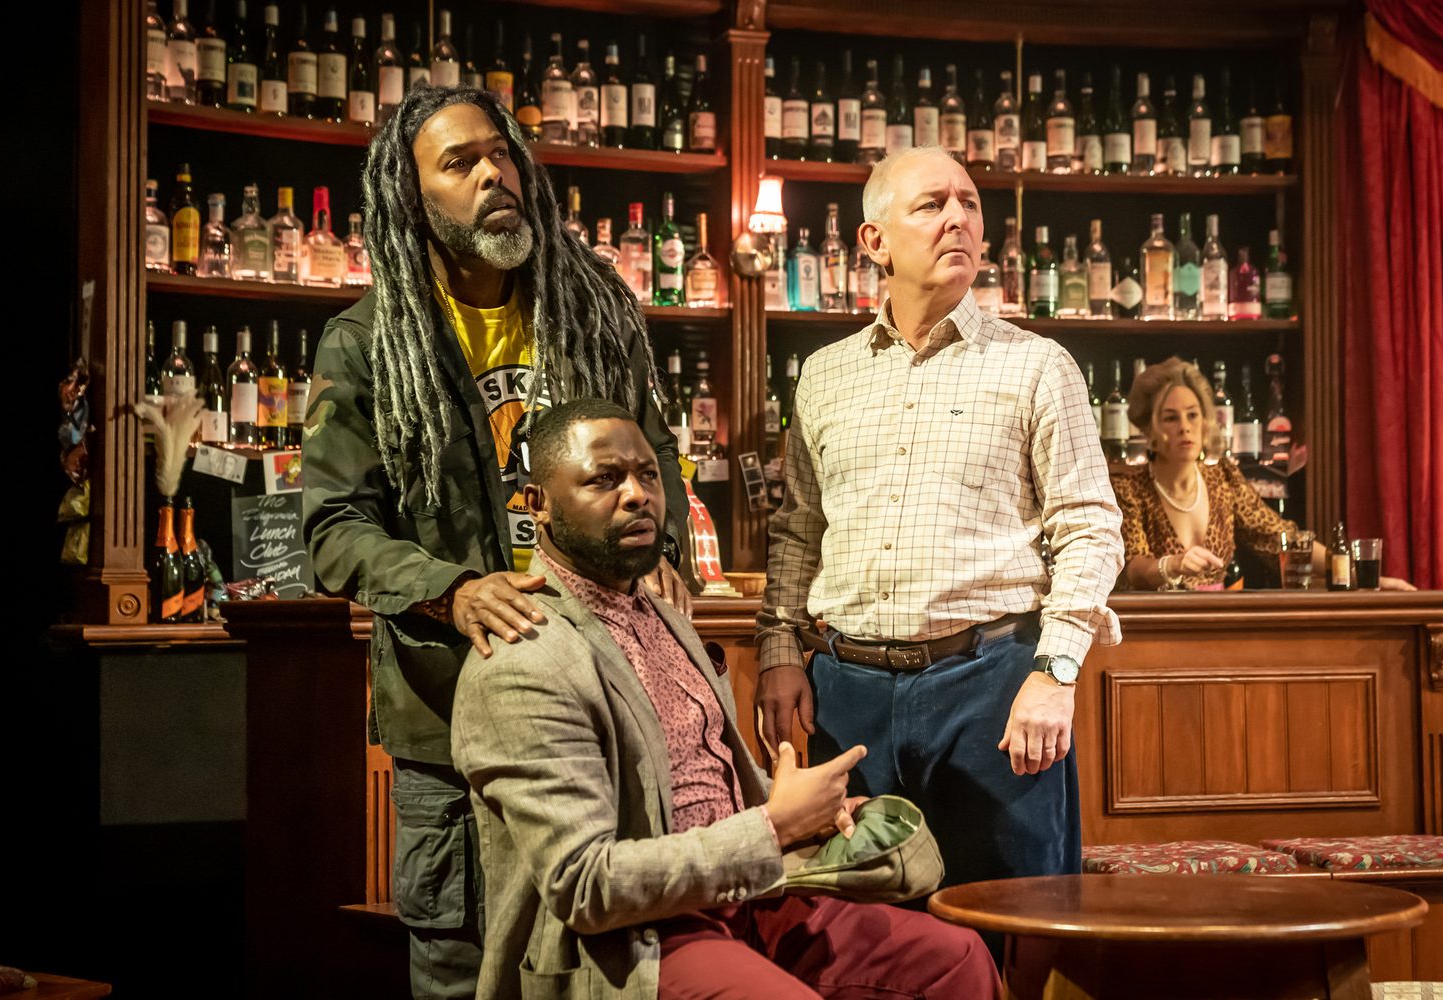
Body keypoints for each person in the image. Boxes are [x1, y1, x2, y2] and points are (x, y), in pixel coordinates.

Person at [301, 85, 689, 999]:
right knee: (461, 969)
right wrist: (453, 588)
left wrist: (661, 541)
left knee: (614, 962)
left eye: (500, 153)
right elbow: (333, 532)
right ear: (412, 199)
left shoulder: (593, 308)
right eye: (459, 163)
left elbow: (657, 448)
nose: (492, 174)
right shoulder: (365, 343)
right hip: (452, 715)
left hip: (603, 695)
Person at [451, 399, 997, 1000]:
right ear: (540, 505)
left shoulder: (662, 612)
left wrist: (812, 819)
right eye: (604, 479)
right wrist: (773, 825)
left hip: (744, 898)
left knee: (953, 956)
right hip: (631, 944)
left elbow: (712, 794)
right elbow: (586, 887)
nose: (637, 495)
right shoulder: (525, 658)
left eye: (648, 475)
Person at [755, 145, 1126, 890]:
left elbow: (1090, 527)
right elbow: (799, 527)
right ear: (874, 242)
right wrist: (779, 650)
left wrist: (1054, 674)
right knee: (859, 928)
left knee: (1010, 919)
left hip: (990, 682)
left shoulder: (1036, 365)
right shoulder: (825, 373)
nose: (957, 218)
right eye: (931, 205)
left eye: (969, 203)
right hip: (848, 689)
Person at [1112, 357, 1415, 591]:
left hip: (1216, 628)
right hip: (1152, 635)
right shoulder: (1130, 488)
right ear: (1149, 430)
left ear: (1206, 422)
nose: (1185, 426)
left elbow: (1279, 537)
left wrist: (1354, 576)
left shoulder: (1223, 479)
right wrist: (1173, 564)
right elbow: (1133, 567)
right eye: (1170, 418)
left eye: (1193, 415)